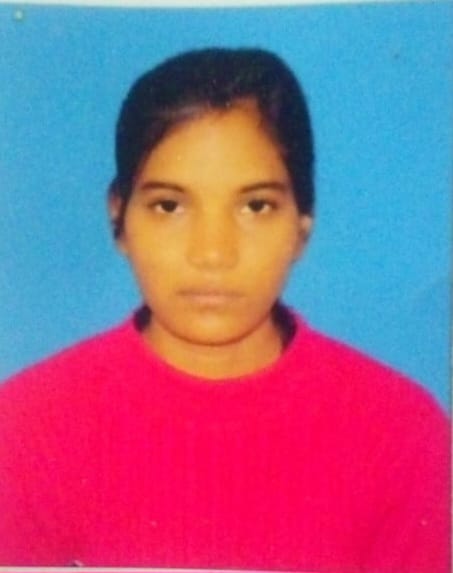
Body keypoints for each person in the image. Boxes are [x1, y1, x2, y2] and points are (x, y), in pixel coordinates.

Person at [0, 48, 449, 571]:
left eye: (256, 206)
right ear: (119, 218)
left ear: (302, 224)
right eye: (169, 206)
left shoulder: (402, 435)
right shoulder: (26, 429)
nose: (212, 254)